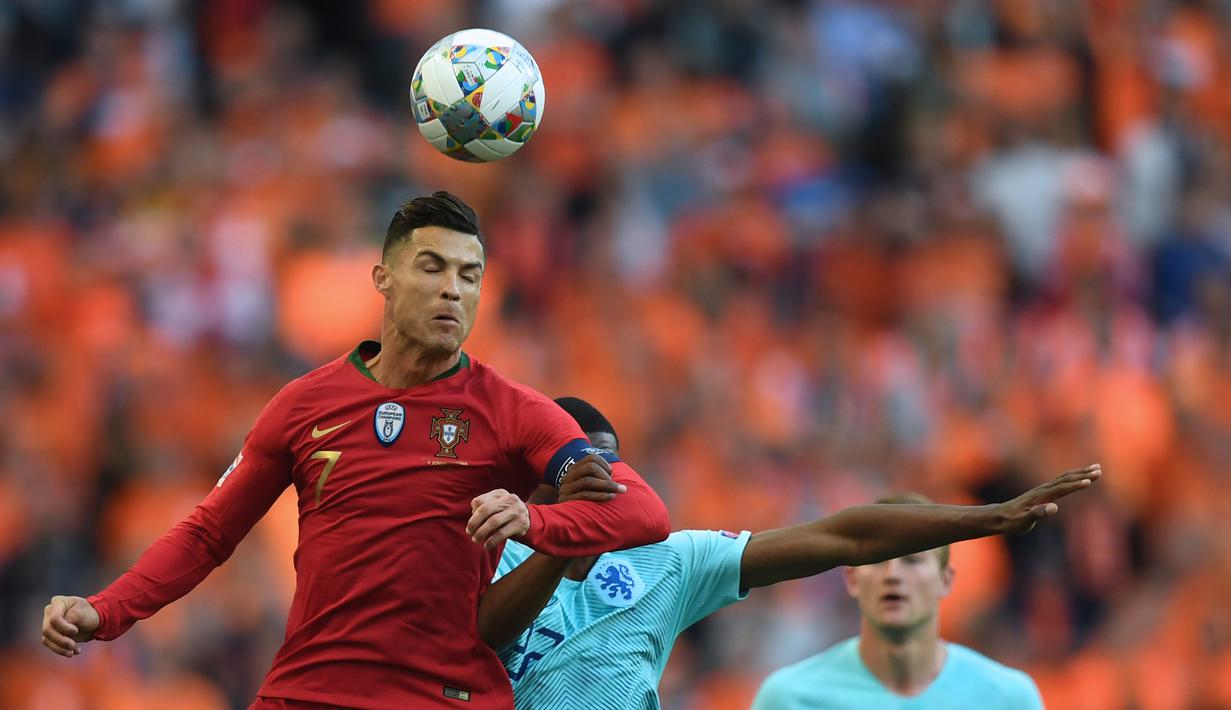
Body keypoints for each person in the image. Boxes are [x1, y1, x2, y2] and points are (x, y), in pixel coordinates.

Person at [39, 193, 671, 709]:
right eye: (432, 267)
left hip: (438, 697)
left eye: (469, 275)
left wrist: (534, 520)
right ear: (382, 278)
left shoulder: (513, 411)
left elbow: (643, 512)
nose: (453, 289)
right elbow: (209, 533)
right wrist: (106, 609)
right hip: (305, 692)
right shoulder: (303, 405)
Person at [478, 397, 1095, 710]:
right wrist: (566, 533)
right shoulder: (485, 550)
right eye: (581, 466)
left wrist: (988, 518)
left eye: (610, 466)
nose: (603, 480)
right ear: (538, 470)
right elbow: (486, 634)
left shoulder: (665, 561)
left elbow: (845, 537)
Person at [751, 492, 1044, 709]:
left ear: (946, 580)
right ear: (851, 578)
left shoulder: (1008, 699)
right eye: (877, 560)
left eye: (912, 561)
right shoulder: (789, 699)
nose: (893, 574)